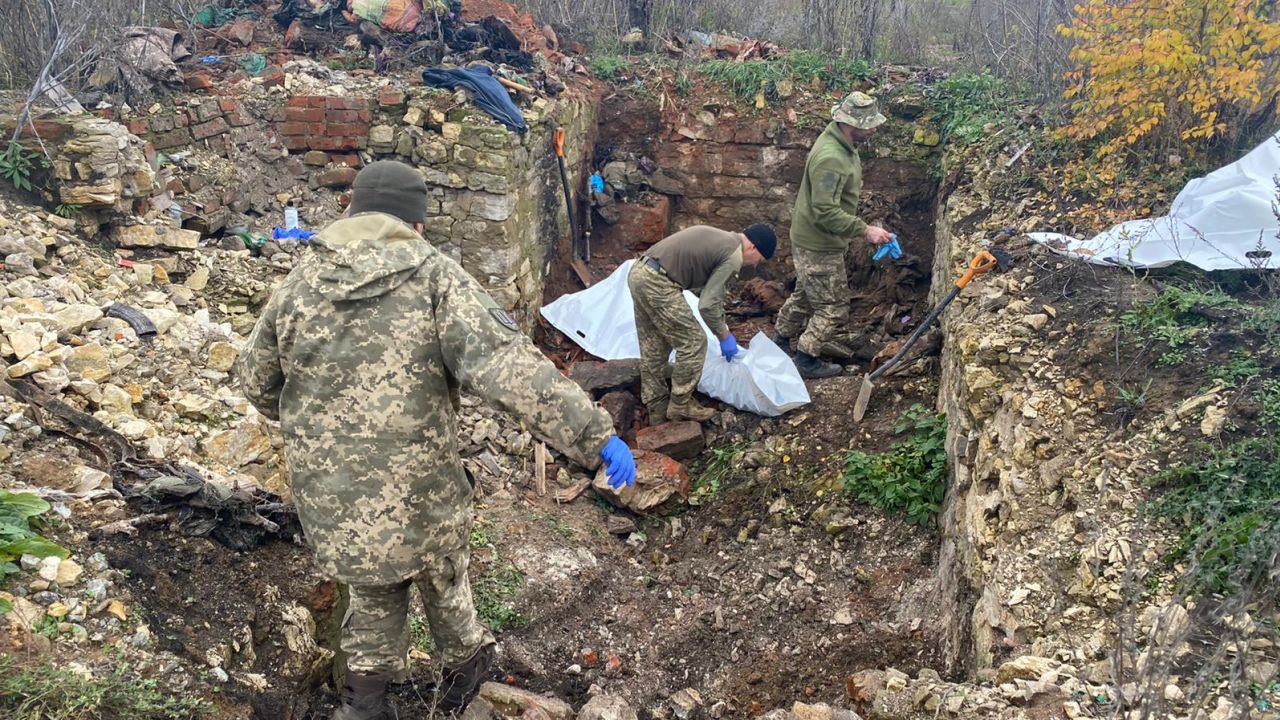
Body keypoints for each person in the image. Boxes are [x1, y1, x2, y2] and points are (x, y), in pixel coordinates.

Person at [236, 160, 636, 720]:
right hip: (422, 484)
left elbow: (256, 382)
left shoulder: (300, 281)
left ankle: (364, 705)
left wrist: (326, 426)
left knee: (372, 590)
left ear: (352, 210)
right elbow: (508, 369)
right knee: (443, 571)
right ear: (416, 222)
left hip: (332, 493)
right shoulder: (435, 277)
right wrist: (594, 436)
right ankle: (461, 684)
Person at [774, 91, 894, 379]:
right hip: (818, 243)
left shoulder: (842, 142)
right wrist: (865, 230)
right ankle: (805, 357)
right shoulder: (831, 158)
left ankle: (779, 340)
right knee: (834, 307)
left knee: (806, 293)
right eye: (870, 125)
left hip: (816, 238)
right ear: (853, 124)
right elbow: (825, 211)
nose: (874, 129)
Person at [629, 223, 776, 422]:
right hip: (658, 283)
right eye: (758, 261)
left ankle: (656, 406)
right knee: (694, 342)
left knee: (654, 344)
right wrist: (724, 335)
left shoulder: (723, 238)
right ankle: (680, 405)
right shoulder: (733, 255)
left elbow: (704, 287)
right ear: (752, 247)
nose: (753, 265)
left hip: (639, 272)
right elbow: (707, 305)